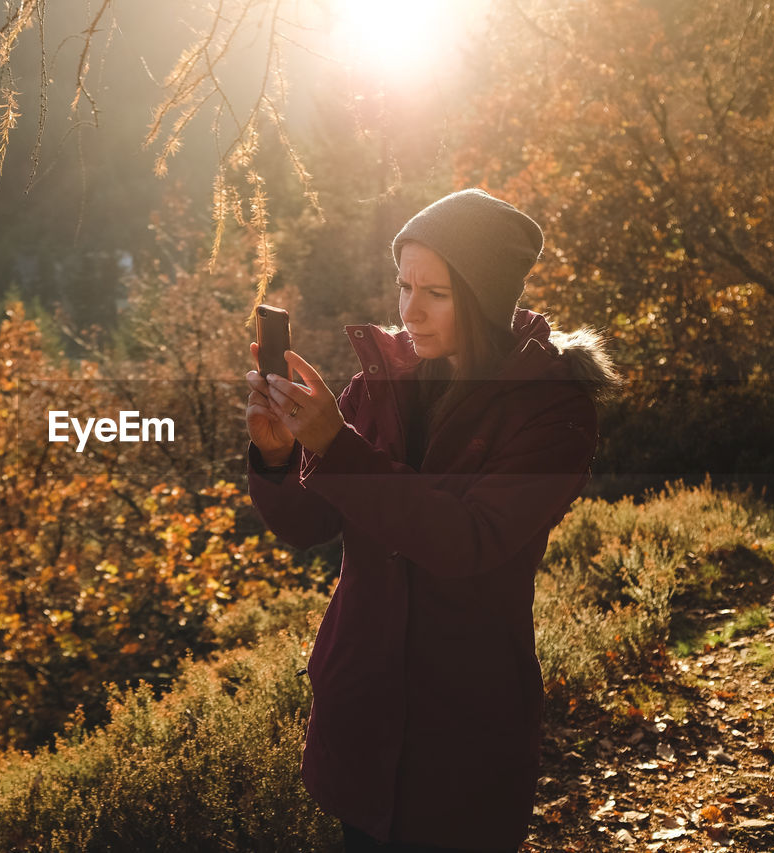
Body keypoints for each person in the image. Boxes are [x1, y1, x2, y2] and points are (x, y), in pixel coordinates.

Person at [243, 188, 623, 852]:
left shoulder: (550, 409)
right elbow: (308, 524)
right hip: (360, 720)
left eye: (436, 293)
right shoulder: (377, 386)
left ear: (482, 296)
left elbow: (470, 539)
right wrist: (277, 456)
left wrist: (337, 447)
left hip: (465, 732)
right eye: (403, 285)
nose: (408, 309)